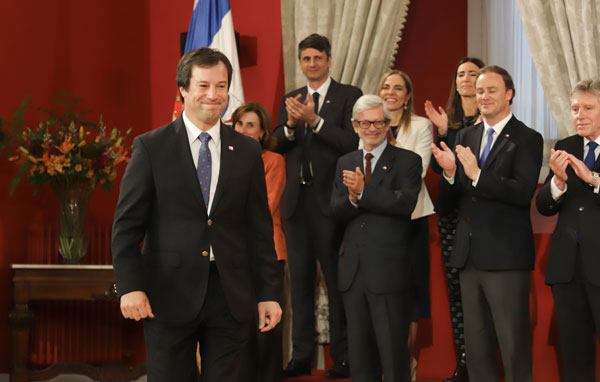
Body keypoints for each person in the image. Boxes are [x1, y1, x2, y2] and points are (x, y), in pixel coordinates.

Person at [111, 47, 283, 382]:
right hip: (167, 293)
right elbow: (126, 227)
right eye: (203, 86)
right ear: (183, 89)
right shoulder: (151, 147)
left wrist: (268, 294)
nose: (213, 95)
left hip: (231, 294)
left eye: (221, 86)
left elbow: (259, 230)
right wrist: (129, 287)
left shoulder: (247, 151)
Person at [431, 65, 543, 382]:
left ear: (509, 94)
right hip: (468, 256)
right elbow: (448, 202)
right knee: (477, 349)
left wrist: (477, 175)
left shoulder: (528, 138)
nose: (483, 96)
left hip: (506, 257)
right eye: (479, 91)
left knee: (513, 346)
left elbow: (522, 194)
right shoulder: (465, 136)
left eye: (491, 90)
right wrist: (451, 174)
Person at [272, 33, 362, 379]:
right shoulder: (291, 98)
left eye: (317, 58)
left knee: (338, 284)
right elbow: (277, 143)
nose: (312, 64)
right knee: (300, 285)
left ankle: (343, 358)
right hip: (296, 204)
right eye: (306, 59)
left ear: (328, 59)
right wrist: (292, 125)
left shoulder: (348, 96)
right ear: (300, 63)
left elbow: (351, 142)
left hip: (332, 202)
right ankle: (301, 356)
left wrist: (315, 121)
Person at [330, 94, 422, 382]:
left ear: (388, 123)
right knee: (359, 357)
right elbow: (334, 209)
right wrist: (354, 200)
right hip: (352, 272)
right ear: (355, 126)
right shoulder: (345, 161)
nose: (372, 128)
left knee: (393, 355)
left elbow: (405, 203)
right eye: (365, 123)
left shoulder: (408, 161)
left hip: (388, 272)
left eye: (378, 122)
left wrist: (364, 193)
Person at [423, 56, 485, 382]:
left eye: (473, 74)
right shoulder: (450, 123)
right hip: (450, 219)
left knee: (482, 297)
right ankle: (464, 365)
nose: (465, 78)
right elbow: (439, 169)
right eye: (461, 73)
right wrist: (443, 131)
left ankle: (481, 367)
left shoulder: (489, 124)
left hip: (481, 220)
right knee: (458, 296)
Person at [535, 79, 600, 382]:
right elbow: (545, 207)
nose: (579, 115)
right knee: (575, 354)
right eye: (575, 109)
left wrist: (594, 181)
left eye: (588, 108)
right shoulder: (565, 146)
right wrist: (558, 183)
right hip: (567, 269)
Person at [377, 70, 434, 381]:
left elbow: (418, 171)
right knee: (382, 292)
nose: (391, 92)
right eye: (386, 87)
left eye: (398, 88)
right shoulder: (368, 124)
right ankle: (386, 362)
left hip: (411, 219)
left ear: (407, 95)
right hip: (376, 223)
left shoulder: (422, 126)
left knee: (411, 294)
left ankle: (407, 361)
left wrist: (391, 146)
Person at [232, 102, 287, 382]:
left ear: (263, 131)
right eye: (239, 124)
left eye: (250, 125)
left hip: (267, 253)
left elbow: (266, 205)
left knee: (267, 328)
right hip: (235, 255)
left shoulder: (274, 160)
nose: (242, 130)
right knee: (241, 326)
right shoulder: (226, 157)